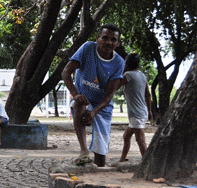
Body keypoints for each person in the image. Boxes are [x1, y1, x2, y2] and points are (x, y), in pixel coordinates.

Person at [61, 23, 124, 167]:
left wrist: (95, 112)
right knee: (78, 103)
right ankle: (83, 150)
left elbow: (109, 95)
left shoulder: (119, 62)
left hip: (102, 106)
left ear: (117, 43)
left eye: (113, 40)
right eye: (105, 38)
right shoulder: (87, 48)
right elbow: (66, 72)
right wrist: (76, 94)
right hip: (84, 99)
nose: (108, 42)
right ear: (97, 38)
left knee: (101, 158)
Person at [118, 53, 152, 162]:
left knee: (140, 140)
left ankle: (147, 163)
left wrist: (123, 70)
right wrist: (150, 110)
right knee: (126, 136)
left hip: (136, 114)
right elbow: (148, 94)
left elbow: (115, 86)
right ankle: (122, 159)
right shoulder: (142, 75)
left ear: (126, 63)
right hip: (142, 112)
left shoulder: (127, 75)